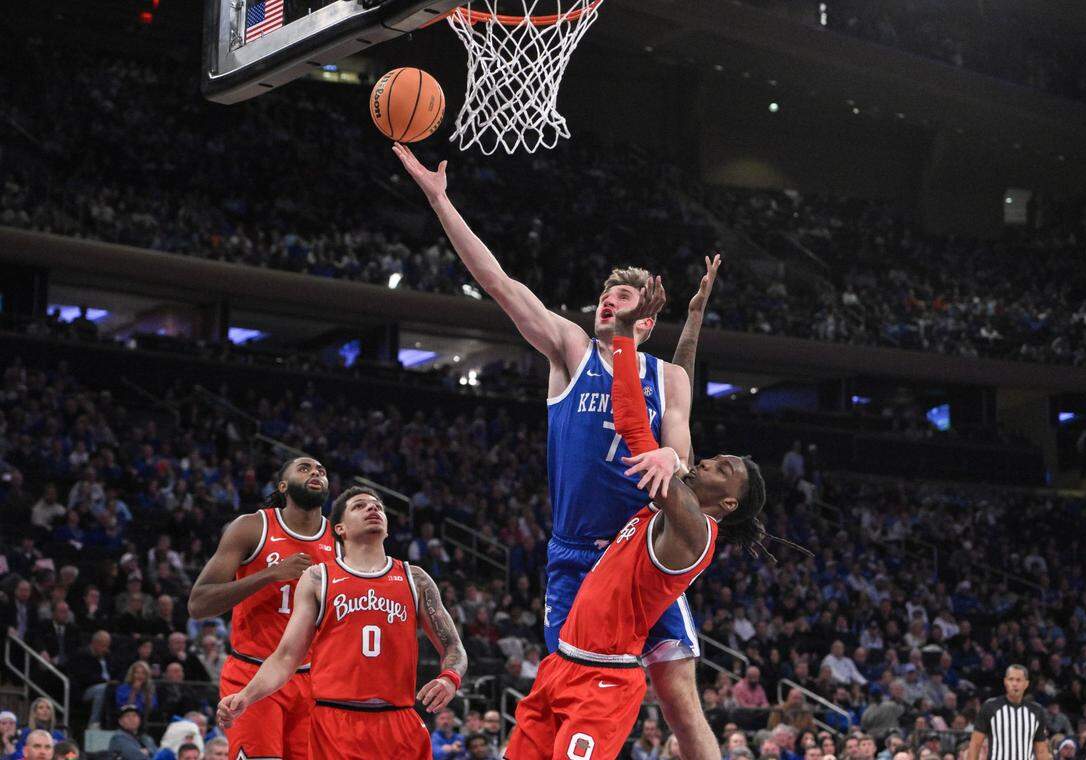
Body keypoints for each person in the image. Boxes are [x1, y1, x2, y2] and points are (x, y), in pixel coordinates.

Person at [395, 142, 725, 760]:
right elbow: (499, 284)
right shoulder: (570, 349)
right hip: (576, 559)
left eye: (622, 298)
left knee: (681, 700)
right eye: (605, 292)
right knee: (567, 696)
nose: (608, 300)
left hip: (642, 554)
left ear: (646, 323)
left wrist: (672, 460)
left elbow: (681, 455)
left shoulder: (668, 378)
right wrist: (440, 200)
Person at [504, 282, 766, 760]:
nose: (705, 462)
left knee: (681, 703)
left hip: (608, 662)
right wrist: (692, 324)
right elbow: (675, 389)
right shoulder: (679, 503)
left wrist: (623, 336)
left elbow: (632, 422)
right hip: (582, 601)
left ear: (728, 504)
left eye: (721, 469)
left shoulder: (680, 513)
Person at [217, 486, 467, 759]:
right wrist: (246, 696)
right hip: (335, 722)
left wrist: (450, 678)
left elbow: (454, 646)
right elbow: (286, 657)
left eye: (378, 507)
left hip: (399, 721)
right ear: (340, 529)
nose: (373, 509)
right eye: (359, 506)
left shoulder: (415, 578)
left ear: (387, 528)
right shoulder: (318, 578)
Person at [188, 457, 338, 760]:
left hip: (313, 679)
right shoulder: (252, 527)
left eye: (321, 471)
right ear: (283, 486)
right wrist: (270, 574)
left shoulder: (340, 538)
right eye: (305, 468)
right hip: (253, 671)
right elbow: (198, 603)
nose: (316, 473)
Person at [966, 666, 1050, 760]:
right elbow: (975, 745)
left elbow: (1041, 750)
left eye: (1018, 680)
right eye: (1011, 679)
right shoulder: (990, 707)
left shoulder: (1036, 711)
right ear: (1005, 682)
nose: (1014, 684)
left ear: (1026, 684)